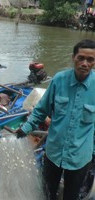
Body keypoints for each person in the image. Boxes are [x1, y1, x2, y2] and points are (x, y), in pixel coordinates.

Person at [16, 39, 95, 200]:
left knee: (71, 195)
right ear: (73, 58)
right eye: (81, 58)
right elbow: (41, 109)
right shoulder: (59, 80)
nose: (85, 63)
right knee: (47, 192)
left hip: (80, 156)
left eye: (90, 59)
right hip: (54, 152)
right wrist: (25, 128)